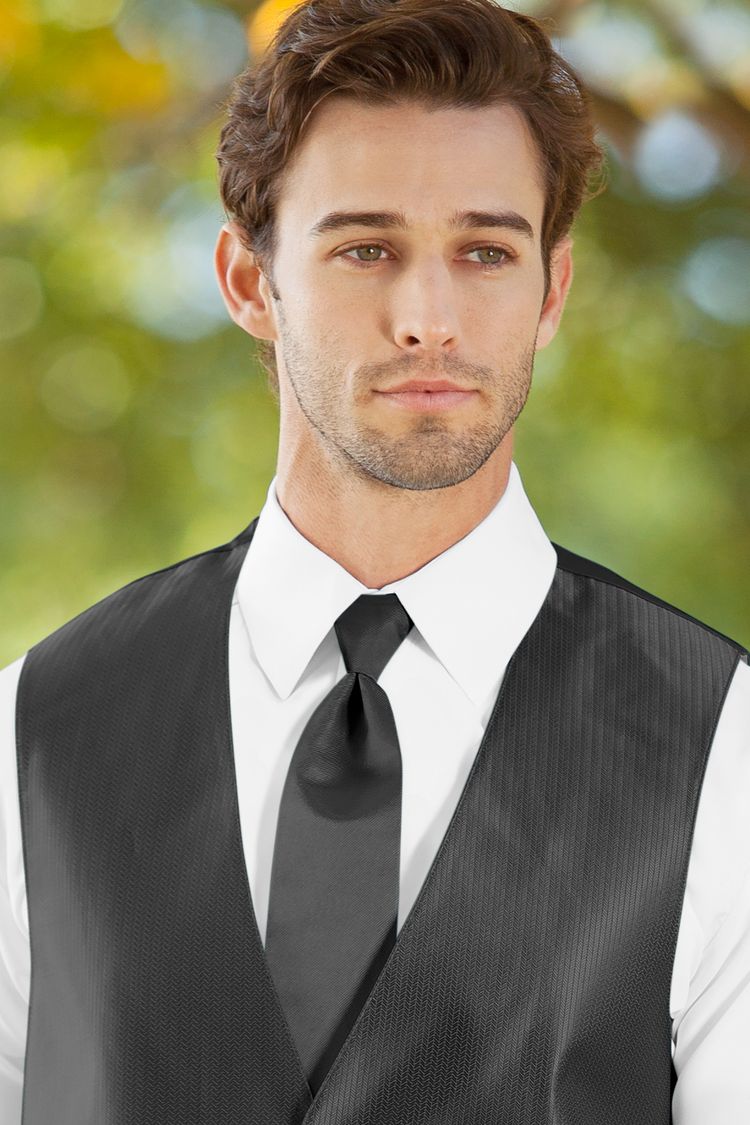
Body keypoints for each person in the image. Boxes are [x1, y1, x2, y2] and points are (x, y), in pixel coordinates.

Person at [0, 0, 748, 1121]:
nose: (427, 316)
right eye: (366, 247)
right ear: (251, 283)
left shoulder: (727, 748)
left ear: (551, 292)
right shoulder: (33, 732)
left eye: (486, 251)